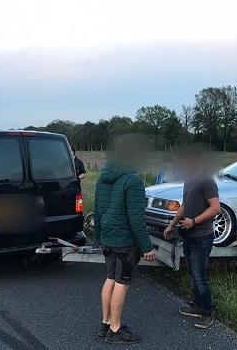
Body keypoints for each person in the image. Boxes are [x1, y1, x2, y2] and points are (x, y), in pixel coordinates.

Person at [94, 134, 155, 344]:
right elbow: (136, 219)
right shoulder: (133, 180)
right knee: (122, 282)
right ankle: (116, 329)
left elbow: (97, 210)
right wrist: (147, 247)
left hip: (107, 239)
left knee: (110, 277)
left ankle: (105, 323)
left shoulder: (103, 177)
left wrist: (99, 238)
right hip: (124, 242)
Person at [163, 145, 220, 329]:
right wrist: (172, 225)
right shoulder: (190, 179)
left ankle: (207, 312)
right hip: (188, 235)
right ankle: (196, 306)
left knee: (199, 275)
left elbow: (215, 208)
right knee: (193, 273)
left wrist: (194, 221)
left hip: (202, 236)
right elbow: (184, 206)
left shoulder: (206, 180)